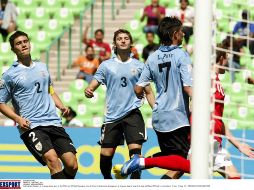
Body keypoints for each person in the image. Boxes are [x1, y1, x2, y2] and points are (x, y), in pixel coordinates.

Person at [120, 42, 254, 179]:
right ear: (220, 58)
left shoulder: (216, 81)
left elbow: (218, 119)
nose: (228, 62)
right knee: (193, 167)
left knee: (229, 177)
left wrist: (238, 144)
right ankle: (142, 162)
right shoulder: (204, 78)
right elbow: (193, 103)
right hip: (204, 135)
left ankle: (143, 161)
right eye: (227, 58)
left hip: (214, 138)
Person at [0, 31, 78, 179]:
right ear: (13, 49)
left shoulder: (42, 67)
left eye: (25, 41)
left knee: (72, 164)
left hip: (54, 122)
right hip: (32, 125)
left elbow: (50, 90)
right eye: (18, 43)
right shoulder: (9, 75)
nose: (23, 45)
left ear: (29, 43)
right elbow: (0, 102)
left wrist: (61, 106)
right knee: (53, 161)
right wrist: (18, 119)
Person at [85, 29, 155, 179]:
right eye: (119, 39)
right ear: (114, 44)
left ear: (131, 43)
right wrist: (89, 90)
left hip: (133, 113)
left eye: (126, 38)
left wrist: (156, 109)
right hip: (112, 116)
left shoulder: (140, 66)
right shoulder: (106, 65)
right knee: (105, 156)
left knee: (136, 157)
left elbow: (148, 91)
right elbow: (92, 85)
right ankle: (108, 180)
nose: (123, 40)